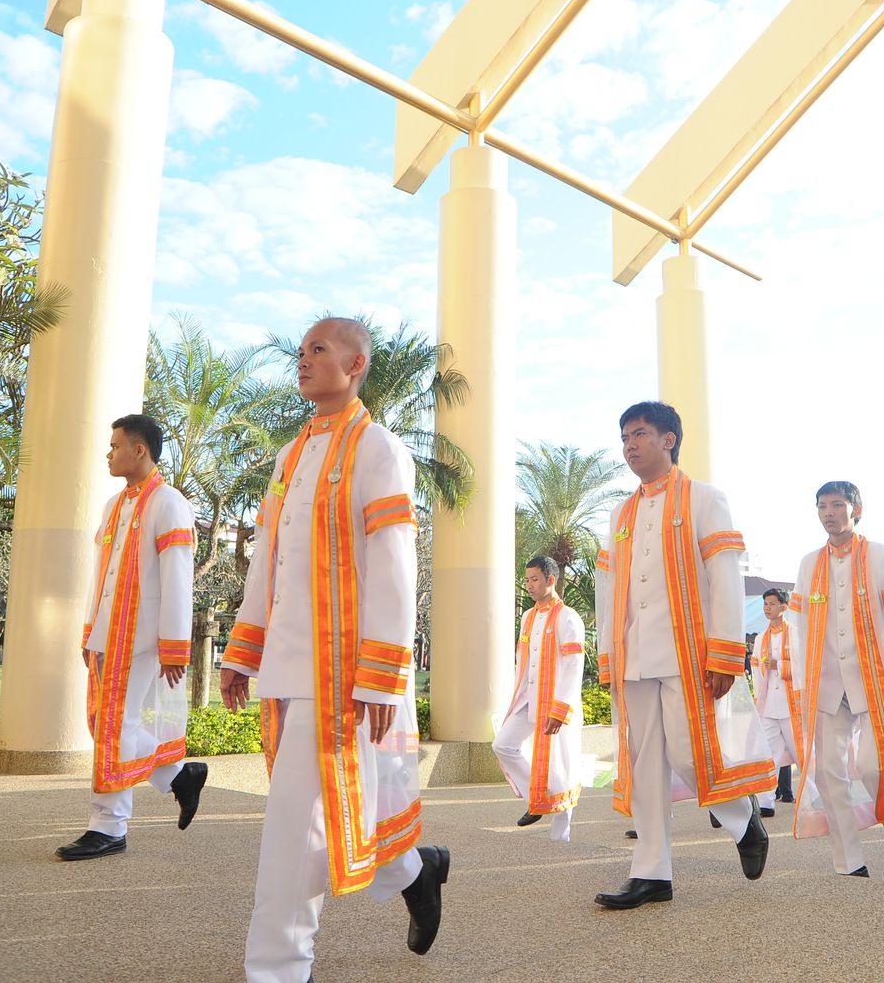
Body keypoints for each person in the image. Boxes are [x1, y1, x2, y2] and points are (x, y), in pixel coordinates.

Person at [220, 318, 447, 983]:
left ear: (355, 364)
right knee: (327, 807)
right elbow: (268, 559)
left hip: (344, 670)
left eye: (318, 349)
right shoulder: (291, 455)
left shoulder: (379, 448)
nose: (303, 360)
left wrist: (381, 674)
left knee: (296, 822)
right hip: (288, 664)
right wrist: (242, 650)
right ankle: (415, 871)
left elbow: (395, 564)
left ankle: (278, 968)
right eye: (300, 351)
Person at [594, 401, 772, 909]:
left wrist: (725, 652)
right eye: (624, 437)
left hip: (687, 652)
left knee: (690, 755)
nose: (629, 445)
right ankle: (651, 873)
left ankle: (744, 819)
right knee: (644, 763)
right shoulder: (621, 513)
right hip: (634, 654)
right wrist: (607, 653)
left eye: (639, 434)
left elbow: (724, 577)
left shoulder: (704, 498)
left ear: (668, 439)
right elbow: (608, 589)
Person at [57, 414, 205, 862]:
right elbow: (99, 576)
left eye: (116, 445)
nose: (109, 454)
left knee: (115, 726)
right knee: (103, 723)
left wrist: (174, 645)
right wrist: (90, 629)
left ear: (139, 450)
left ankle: (108, 827)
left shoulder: (170, 503)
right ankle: (177, 776)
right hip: (108, 635)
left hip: (142, 638)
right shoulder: (113, 505)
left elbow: (179, 580)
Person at [786, 481, 884, 880]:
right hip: (827, 685)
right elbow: (798, 626)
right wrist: (802, 687)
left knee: (874, 767)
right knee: (828, 774)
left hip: (876, 684)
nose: (829, 513)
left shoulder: (881, 556)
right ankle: (849, 862)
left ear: (857, 510)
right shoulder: (809, 563)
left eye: (837, 505)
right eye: (822, 506)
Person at [494, 555, 585, 841]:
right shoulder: (527, 617)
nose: (530, 585)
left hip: (557, 703)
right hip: (527, 698)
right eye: (528, 580)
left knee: (561, 767)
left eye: (535, 579)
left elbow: (574, 666)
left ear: (551, 580)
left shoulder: (568, 617)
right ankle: (536, 797)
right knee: (503, 745)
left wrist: (561, 708)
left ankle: (561, 838)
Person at [751, 587, 804, 816]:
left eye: (772, 604)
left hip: (792, 705)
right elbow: (756, 670)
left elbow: (805, 665)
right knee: (768, 753)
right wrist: (758, 699)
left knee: (802, 753)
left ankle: (813, 798)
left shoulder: (796, 634)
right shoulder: (760, 638)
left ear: (784, 606)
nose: (767, 608)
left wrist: (780, 665)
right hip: (769, 705)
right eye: (765, 604)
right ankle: (766, 802)